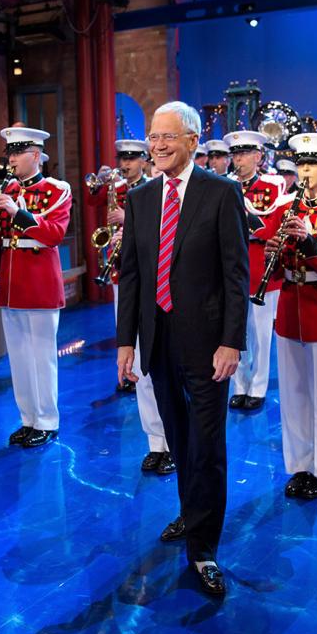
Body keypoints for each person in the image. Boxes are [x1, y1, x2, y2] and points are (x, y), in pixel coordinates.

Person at [116, 101, 249, 596]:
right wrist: (125, 343)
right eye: (153, 138)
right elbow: (131, 275)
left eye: (168, 137)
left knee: (207, 445)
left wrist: (231, 341)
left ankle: (204, 548)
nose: (158, 146)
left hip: (209, 344)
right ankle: (192, 515)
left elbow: (236, 275)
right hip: (157, 342)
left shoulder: (221, 193)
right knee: (178, 439)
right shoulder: (141, 198)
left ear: (193, 140)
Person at [259, 132, 317, 500]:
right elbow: (279, 265)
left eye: (312, 163)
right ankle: (298, 466)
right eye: (300, 164)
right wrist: (274, 256)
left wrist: (312, 244)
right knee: (294, 395)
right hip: (290, 308)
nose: (305, 171)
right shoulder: (286, 207)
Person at [0, 127, 71, 448]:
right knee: (19, 357)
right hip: (11, 285)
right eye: (9, 154)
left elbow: (54, 233)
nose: (11, 159)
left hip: (40, 284)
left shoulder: (57, 189)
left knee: (41, 356)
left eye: (17, 153)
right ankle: (28, 418)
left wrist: (18, 211)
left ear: (35, 155)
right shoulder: (7, 189)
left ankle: (47, 420)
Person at [99, 140, 176, 475]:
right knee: (143, 372)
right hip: (137, 290)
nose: (126, 163)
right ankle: (155, 442)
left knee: (170, 373)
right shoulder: (131, 194)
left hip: (166, 293)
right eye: (123, 158)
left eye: (132, 158)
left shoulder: (152, 194)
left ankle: (174, 442)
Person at [224, 129, 284, 411]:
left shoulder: (272, 187)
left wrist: (245, 221)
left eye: (245, 153)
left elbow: (270, 228)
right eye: (236, 153)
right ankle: (240, 385)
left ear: (259, 156)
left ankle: (258, 387)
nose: (239, 159)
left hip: (261, 269)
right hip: (230, 269)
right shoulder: (224, 184)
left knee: (260, 333)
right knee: (235, 331)